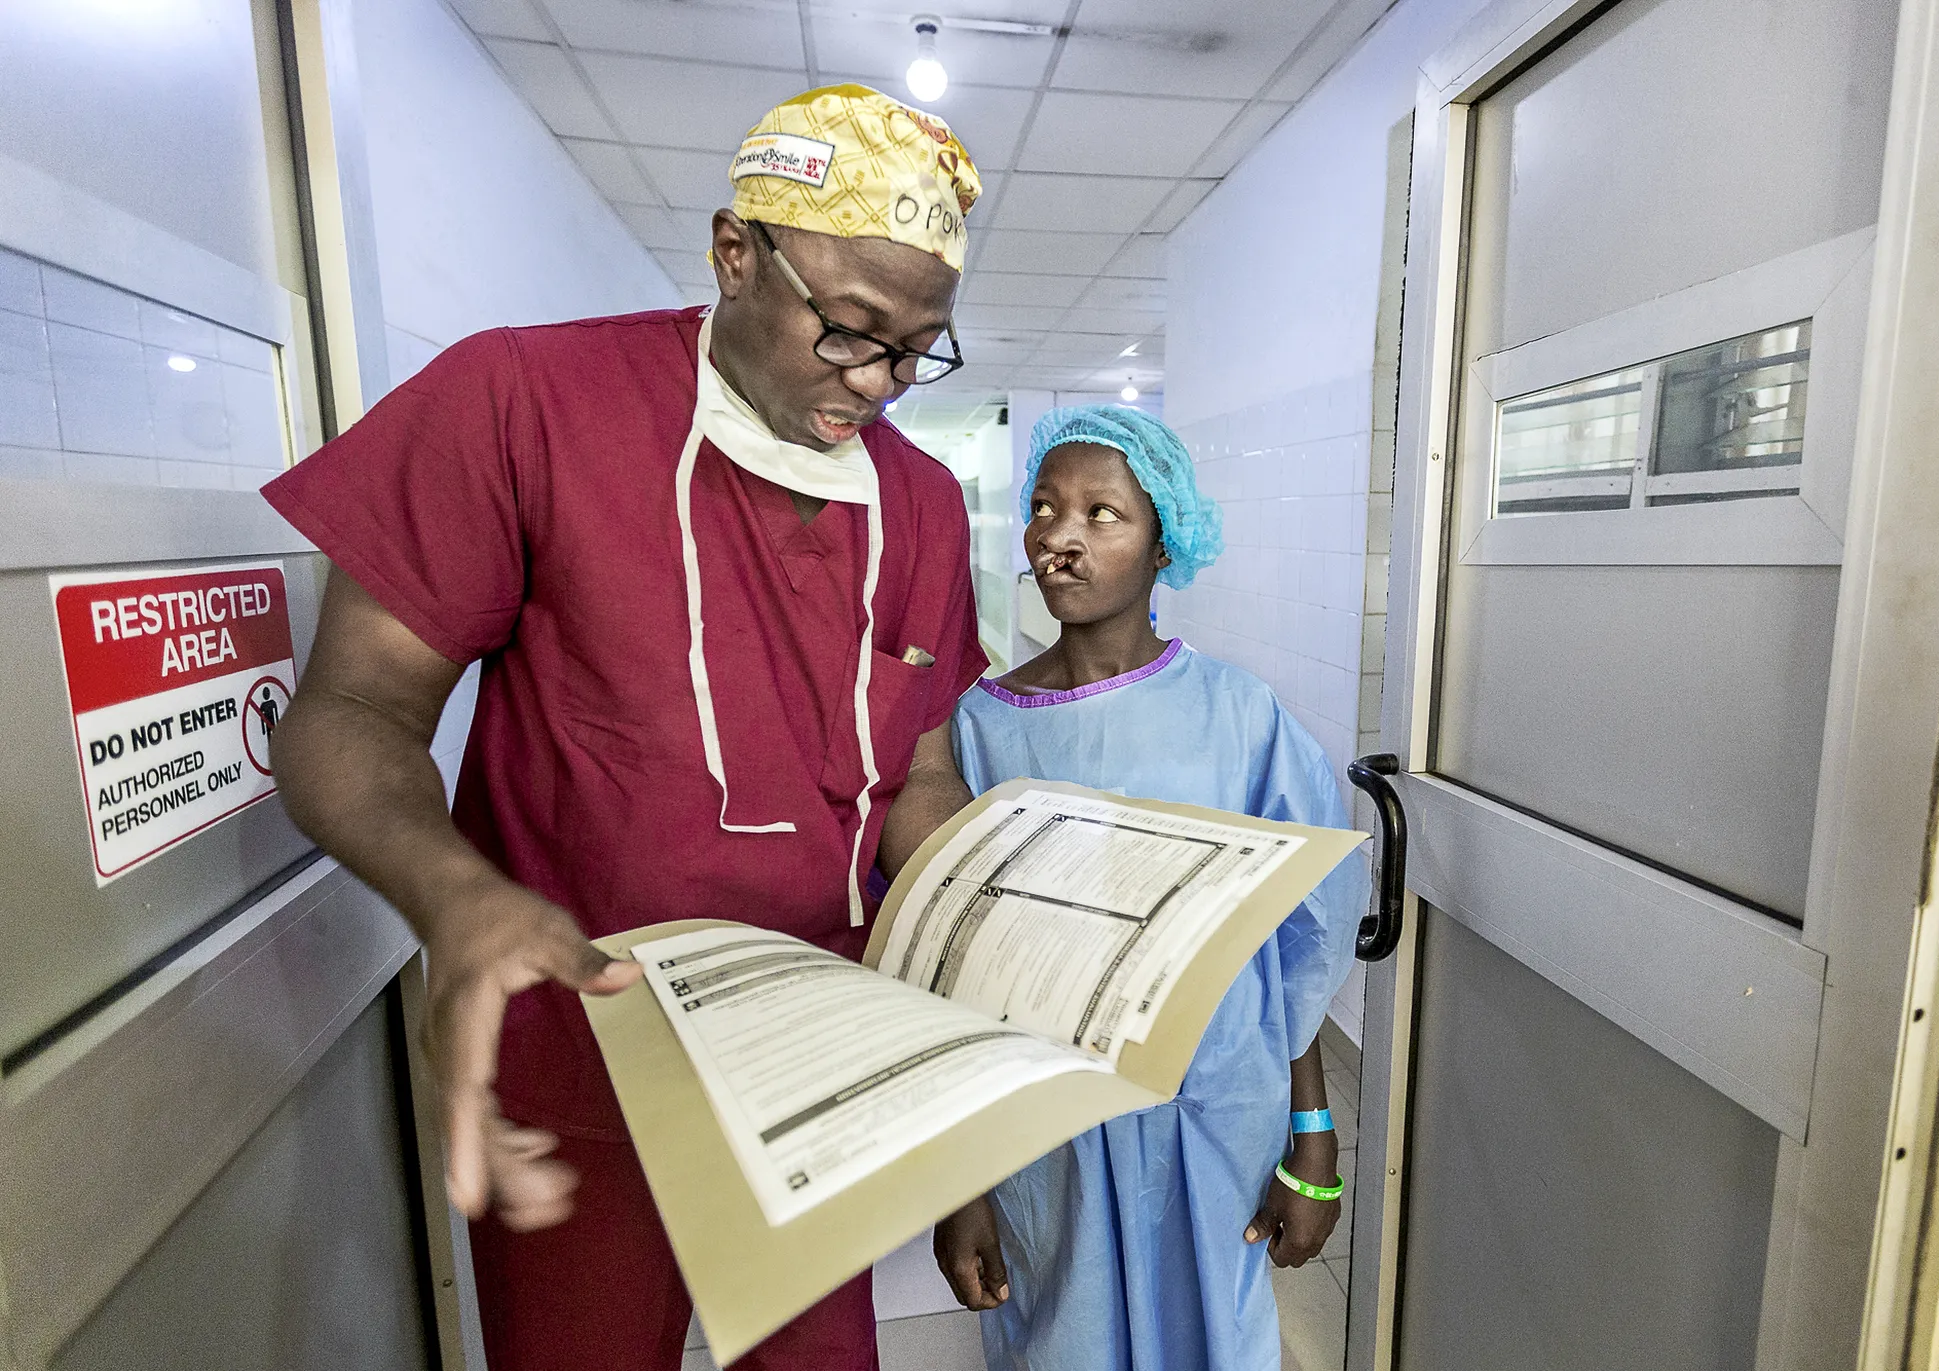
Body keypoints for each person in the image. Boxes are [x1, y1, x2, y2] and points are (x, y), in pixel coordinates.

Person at [263, 85, 988, 1371]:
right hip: (583, 1059)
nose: (877, 384)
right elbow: (352, 712)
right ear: (733, 254)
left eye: (917, 349)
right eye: (848, 333)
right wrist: (457, 899)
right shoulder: (526, 403)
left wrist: (1002, 915)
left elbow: (917, 773)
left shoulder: (922, 506)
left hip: (818, 1071)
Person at [933, 405, 1366, 1371]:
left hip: (1211, 1111)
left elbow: (1295, 942)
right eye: (1045, 510)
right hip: (1043, 1136)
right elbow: (946, 969)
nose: (1061, 537)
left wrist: (1311, 1135)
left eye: (1102, 513)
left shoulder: (1238, 717)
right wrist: (962, 1186)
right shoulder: (977, 732)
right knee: (1063, 1339)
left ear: (1164, 541)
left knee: (1211, 1333)